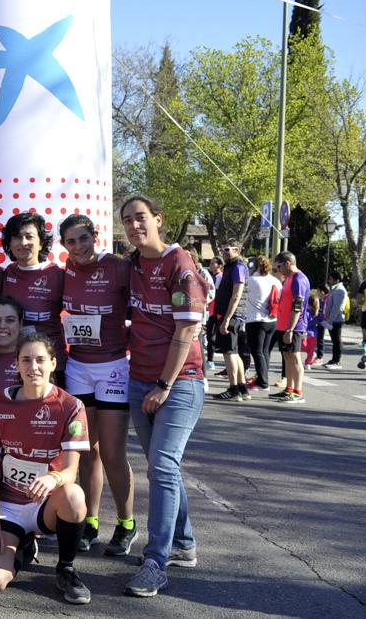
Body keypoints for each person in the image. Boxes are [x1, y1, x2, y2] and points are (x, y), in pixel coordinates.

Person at [120, 195, 209, 598]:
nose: (135, 225)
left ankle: (156, 559)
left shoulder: (180, 264)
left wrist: (164, 385)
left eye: (141, 218)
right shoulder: (134, 263)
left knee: (162, 465)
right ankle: (184, 543)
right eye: (128, 220)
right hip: (140, 379)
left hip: (179, 382)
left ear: (158, 219)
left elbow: (186, 332)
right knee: (164, 467)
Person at [0, 332, 92, 605]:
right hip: (9, 506)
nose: (33, 367)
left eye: (40, 360)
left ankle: (66, 568)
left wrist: (53, 478)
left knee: (74, 496)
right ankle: (22, 544)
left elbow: (71, 470)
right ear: (16, 365)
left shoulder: (71, 406)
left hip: (46, 505)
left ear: (53, 363)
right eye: (26, 360)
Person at [59, 214, 137, 557]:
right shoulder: (66, 270)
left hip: (114, 366)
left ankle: (126, 522)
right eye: (70, 242)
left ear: (95, 236)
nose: (78, 247)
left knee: (113, 452)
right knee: (87, 452)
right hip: (78, 367)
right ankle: (90, 521)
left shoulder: (119, 267)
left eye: (83, 239)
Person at [1, 212, 66, 381]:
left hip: (49, 365)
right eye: (16, 237)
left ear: (41, 241)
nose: (23, 243)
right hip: (16, 362)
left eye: (29, 236)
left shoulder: (57, 274)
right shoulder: (7, 273)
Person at [211, 240, 250, 401]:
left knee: (229, 353)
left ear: (237, 250)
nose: (223, 252)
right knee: (234, 353)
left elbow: (236, 295)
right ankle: (242, 388)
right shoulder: (232, 266)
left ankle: (234, 389)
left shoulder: (238, 267)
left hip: (232, 316)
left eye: (227, 249)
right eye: (222, 249)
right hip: (232, 315)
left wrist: (226, 319)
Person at [272, 252, 311, 402]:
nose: (278, 270)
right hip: (283, 324)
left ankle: (298, 391)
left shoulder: (299, 279)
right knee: (287, 357)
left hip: (294, 326)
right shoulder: (289, 279)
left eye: (279, 266)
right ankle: (288, 388)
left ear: (288, 263)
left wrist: (290, 329)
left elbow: (298, 306)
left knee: (295, 358)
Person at [243, 256, 281, 392]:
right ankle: (262, 378)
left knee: (257, 351)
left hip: (255, 320)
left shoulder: (252, 280)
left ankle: (263, 382)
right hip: (272, 320)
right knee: (265, 351)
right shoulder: (275, 281)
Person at [322, 270, 348, 369]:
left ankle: (336, 360)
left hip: (336, 319)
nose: (329, 280)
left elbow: (337, 307)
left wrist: (330, 320)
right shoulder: (335, 289)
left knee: (337, 340)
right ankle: (334, 359)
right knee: (334, 340)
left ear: (337, 280)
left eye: (331, 279)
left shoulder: (339, 290)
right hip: (333, 319)